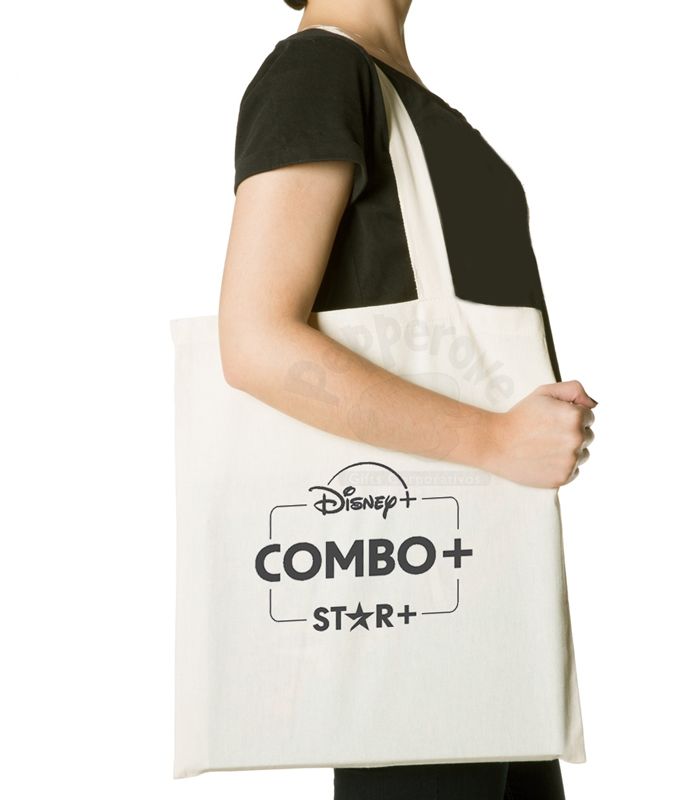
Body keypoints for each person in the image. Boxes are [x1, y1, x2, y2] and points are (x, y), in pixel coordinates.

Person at [219, 1, 596, 798]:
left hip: (481, 575)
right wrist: (494, 440)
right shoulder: (318, 72)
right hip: (408, 579)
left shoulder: (396, 92)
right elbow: (254, 341)